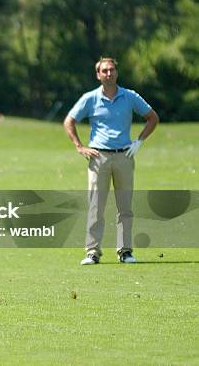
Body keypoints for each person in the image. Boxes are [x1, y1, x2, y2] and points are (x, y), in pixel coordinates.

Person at [63, 57, 159, 265]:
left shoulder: (130, 96)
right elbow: (69, 121)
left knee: (125, 207)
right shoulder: (90, 98)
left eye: (112, 70)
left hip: (125, 155)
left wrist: (139, 141)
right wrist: (80, 147)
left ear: (117, 73)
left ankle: (125, 251)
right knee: (96, 206)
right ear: (98, 75)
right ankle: (92, 252)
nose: (109, 74)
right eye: (104, 71)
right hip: (99, 157)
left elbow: (153, 117)